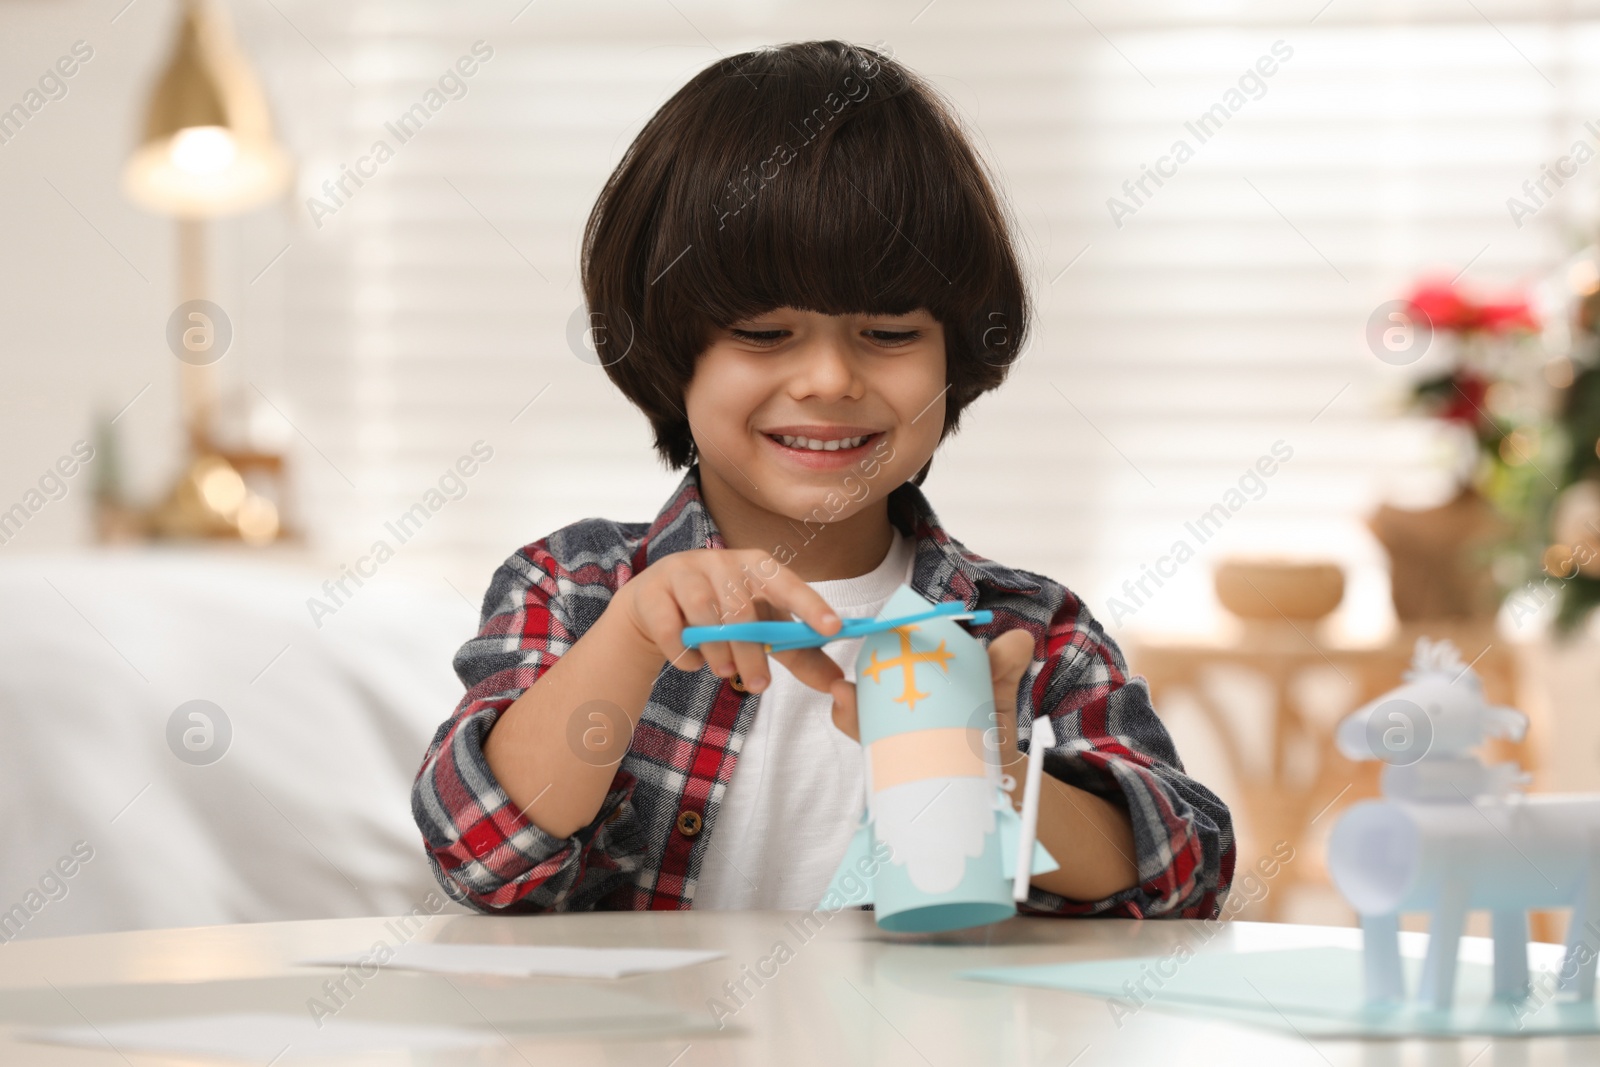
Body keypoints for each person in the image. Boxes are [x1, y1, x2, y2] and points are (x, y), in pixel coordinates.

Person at [413, 40, 1234, 917]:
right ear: (670, 354)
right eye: (764, 335)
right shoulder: (573, 590)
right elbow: (478, 853)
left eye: (886, 333)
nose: (831, 381)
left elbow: (1187, 874)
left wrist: (997, 774)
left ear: (956, 356)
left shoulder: (1030, 635)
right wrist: (630, 639)